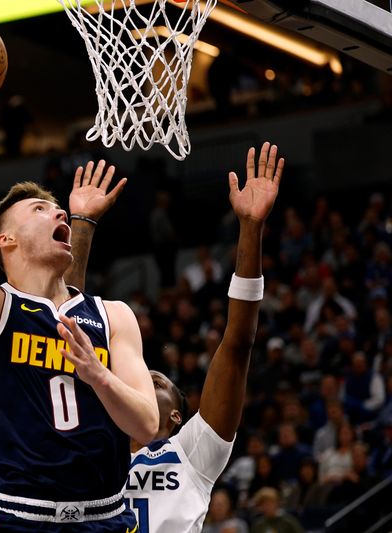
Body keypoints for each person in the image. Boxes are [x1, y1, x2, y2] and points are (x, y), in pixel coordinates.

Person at [0, 65, 158, 532]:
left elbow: (145, 425)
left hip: (108, 519)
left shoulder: (113, 315)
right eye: (39, 209)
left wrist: (98, 374)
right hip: (25, 520)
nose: (57, 210)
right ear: (7, 242)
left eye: (56, 207)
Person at [67, 143, 285, 532]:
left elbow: (237, 344)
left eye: (159, 380)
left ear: (175, 416)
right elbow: (65, 325)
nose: (147, 375)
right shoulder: (96, 443)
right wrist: (81, 222)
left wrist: (251, 229)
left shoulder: (194, 452)